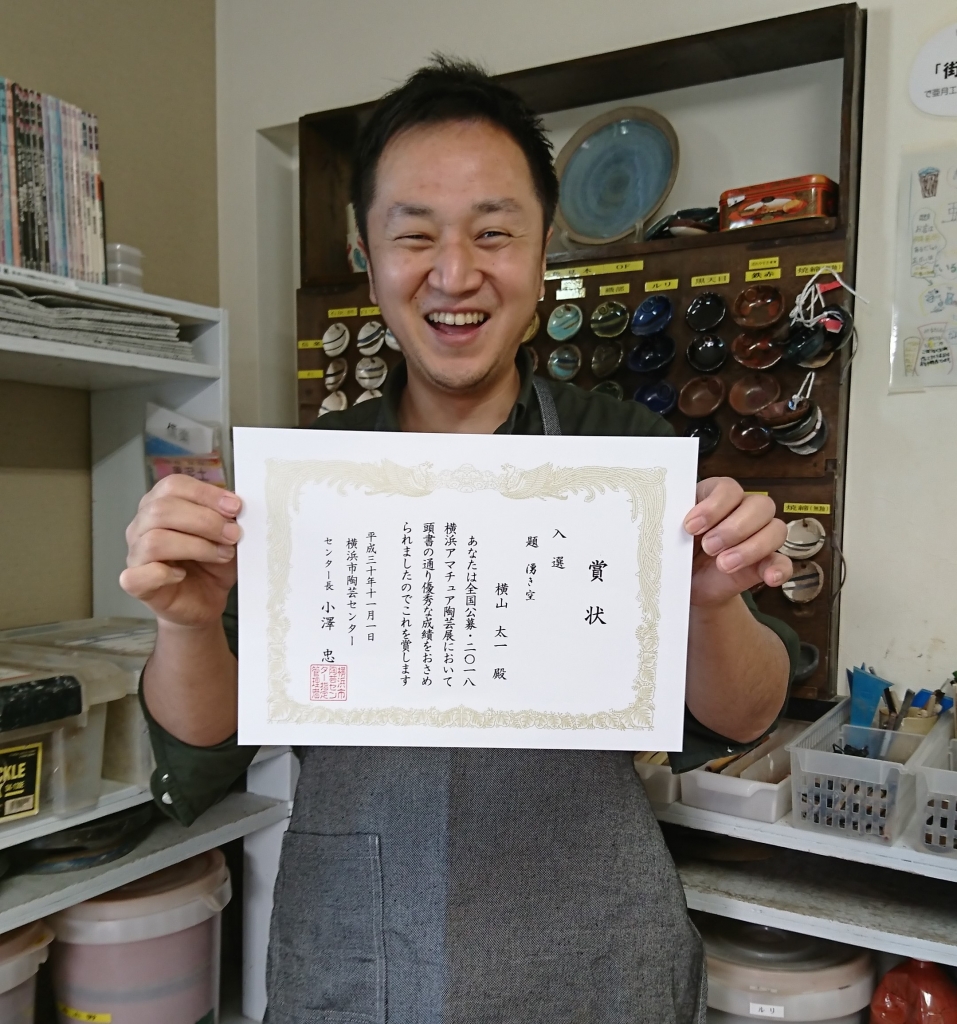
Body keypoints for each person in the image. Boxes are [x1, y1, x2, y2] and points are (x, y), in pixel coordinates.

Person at [122, 57, 797, 1024]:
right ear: (365, 255)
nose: (453, 274)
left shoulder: (628, 456)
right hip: (360, 939)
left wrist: (709, 601)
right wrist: (187, 624)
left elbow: (743, 714)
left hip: (587, 942)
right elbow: (206, 743)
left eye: (492, 232)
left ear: (544, 250)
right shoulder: (304, 485)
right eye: (413, 235)